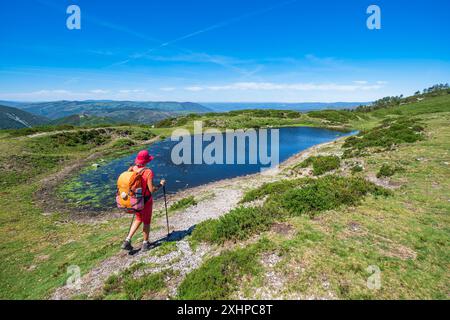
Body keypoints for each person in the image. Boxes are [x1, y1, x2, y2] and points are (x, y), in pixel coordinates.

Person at [121, 149, 166, 252]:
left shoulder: (131, 169)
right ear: (147, 161)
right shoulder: (148, 172)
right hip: (146, 201)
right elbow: (152, 190)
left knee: (138, 219)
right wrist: (160, 184)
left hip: (134, 200)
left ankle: (127, 241)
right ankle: (145, 244)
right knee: (146, 221)